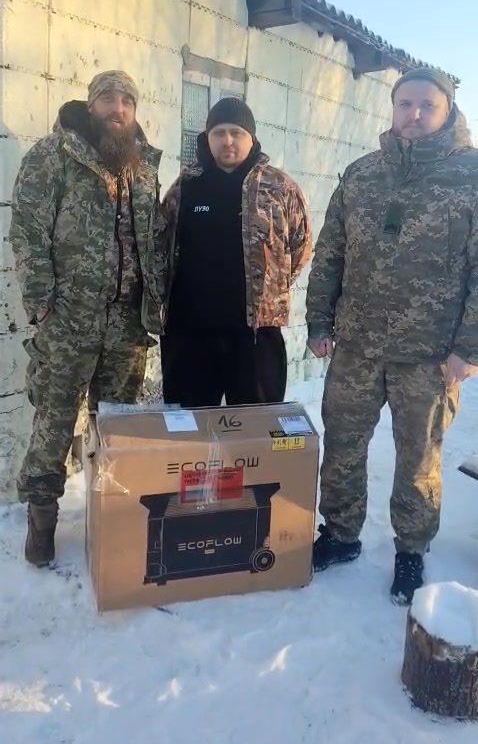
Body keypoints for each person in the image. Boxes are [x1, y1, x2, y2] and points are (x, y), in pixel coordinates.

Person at [306, 68, 478, 605]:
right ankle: (340, 534)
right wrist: (319, 322)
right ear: (393, 107)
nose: (415, 114)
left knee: (419, 456)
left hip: (429, 353)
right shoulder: (362, 175)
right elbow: (330, 253)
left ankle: (411, 549)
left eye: (427, 104)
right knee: (343, 443)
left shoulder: (471, 176)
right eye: (405, 103)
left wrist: (469, 347)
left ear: (447, 110)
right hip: (357, 345)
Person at [9, 70, 165, 568]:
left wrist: (155, 300)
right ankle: (41, 521)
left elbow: (154, 239)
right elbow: (27, 230)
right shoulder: (54, 155)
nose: (117, 109)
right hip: (67, 321)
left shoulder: (143, 166)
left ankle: (110, 512)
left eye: (127, 101)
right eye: (108, 99)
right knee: (54, 422)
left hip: (127, 324)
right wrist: (41, 302)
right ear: (91, 103)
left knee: (115, 425)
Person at [160, 97, 312, 407]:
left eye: (236, 133)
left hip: (255, 335)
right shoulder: (185, 187)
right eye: (219, 133)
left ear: (251, 138)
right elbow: (162, 245)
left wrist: (268, 289)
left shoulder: (279, 188)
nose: (227, 140)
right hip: (191, 333)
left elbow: (301, 247)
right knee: (189, 424)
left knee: (255, 426)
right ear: (207, 138)